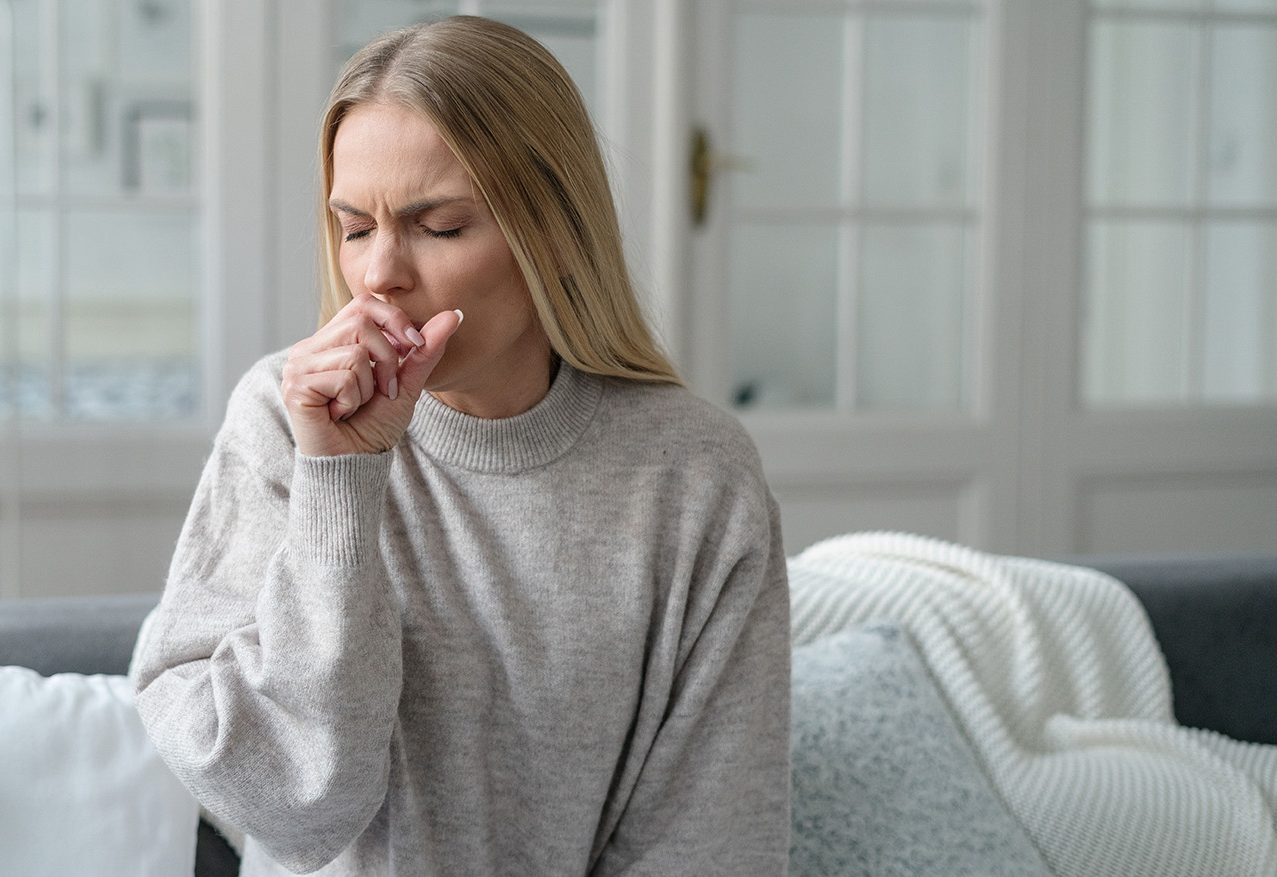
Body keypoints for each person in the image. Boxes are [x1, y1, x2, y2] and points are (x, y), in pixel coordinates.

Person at [132, 15, 789, 876]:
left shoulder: (696, 477)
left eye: (438, 226)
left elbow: (712, 845)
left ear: (553, 234)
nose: (378, 275)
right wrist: (339, 477)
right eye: (354, 226)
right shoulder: (280, 418)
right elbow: (289, 810)